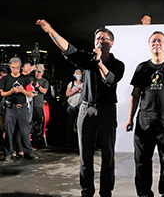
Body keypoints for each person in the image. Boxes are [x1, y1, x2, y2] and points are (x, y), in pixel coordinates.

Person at [36, 19, 125, 197]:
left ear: (112, 43)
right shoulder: (88, 60)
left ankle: (106, 191)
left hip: (107, 110)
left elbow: (111, 80)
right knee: (85, 155)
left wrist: (99, 62)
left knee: (108, 154)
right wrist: (50, 31)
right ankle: (87, 191)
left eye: (104, 38)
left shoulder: (118, 64)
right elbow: (69, 49)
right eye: (97, 38)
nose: (100, 40)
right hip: (86, 109)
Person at [125, 31, 164, 197]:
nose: (156, 43)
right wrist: (129, 118)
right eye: (153, 41)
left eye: (160, 41)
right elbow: (135, 94)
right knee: (142, 162)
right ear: (149, 45)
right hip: (144, 122)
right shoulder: (142, 68)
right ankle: (144, 193)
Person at [0, 58, 38, 161]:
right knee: (9, 131)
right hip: (10, 109)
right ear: (10, 67)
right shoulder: (5, 79)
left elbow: (30, 93)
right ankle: (8, 153)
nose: (15, 70)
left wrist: (22, 91)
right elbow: (2, 93)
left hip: (23, 108)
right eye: (13, 68)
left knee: (25, 132)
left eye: (17, 68)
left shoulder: (25, 78)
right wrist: (11, 92)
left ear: (20, 67)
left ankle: (28, 152)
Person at [31, 64, 49, 147]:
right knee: (29, 123)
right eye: (36, 72)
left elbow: (44, 91)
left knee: (38, 124)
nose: (38, 74)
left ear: (42, 72)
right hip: (30, 105)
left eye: (39, 72)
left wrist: (38, 86)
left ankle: (38, 141)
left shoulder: (45, 81)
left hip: (38, 105)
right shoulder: (31, 79)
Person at [65, 69, 83, 147]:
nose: (79, 75)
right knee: (70, 124)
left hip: (81, 106)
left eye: (80, 74)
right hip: (72, 105)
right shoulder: (71, 83)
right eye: (77, 74)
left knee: (80, 125)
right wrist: (75, 90)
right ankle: (69, 141)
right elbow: (67, 94)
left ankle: (80, 142)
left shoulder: (84, 84)